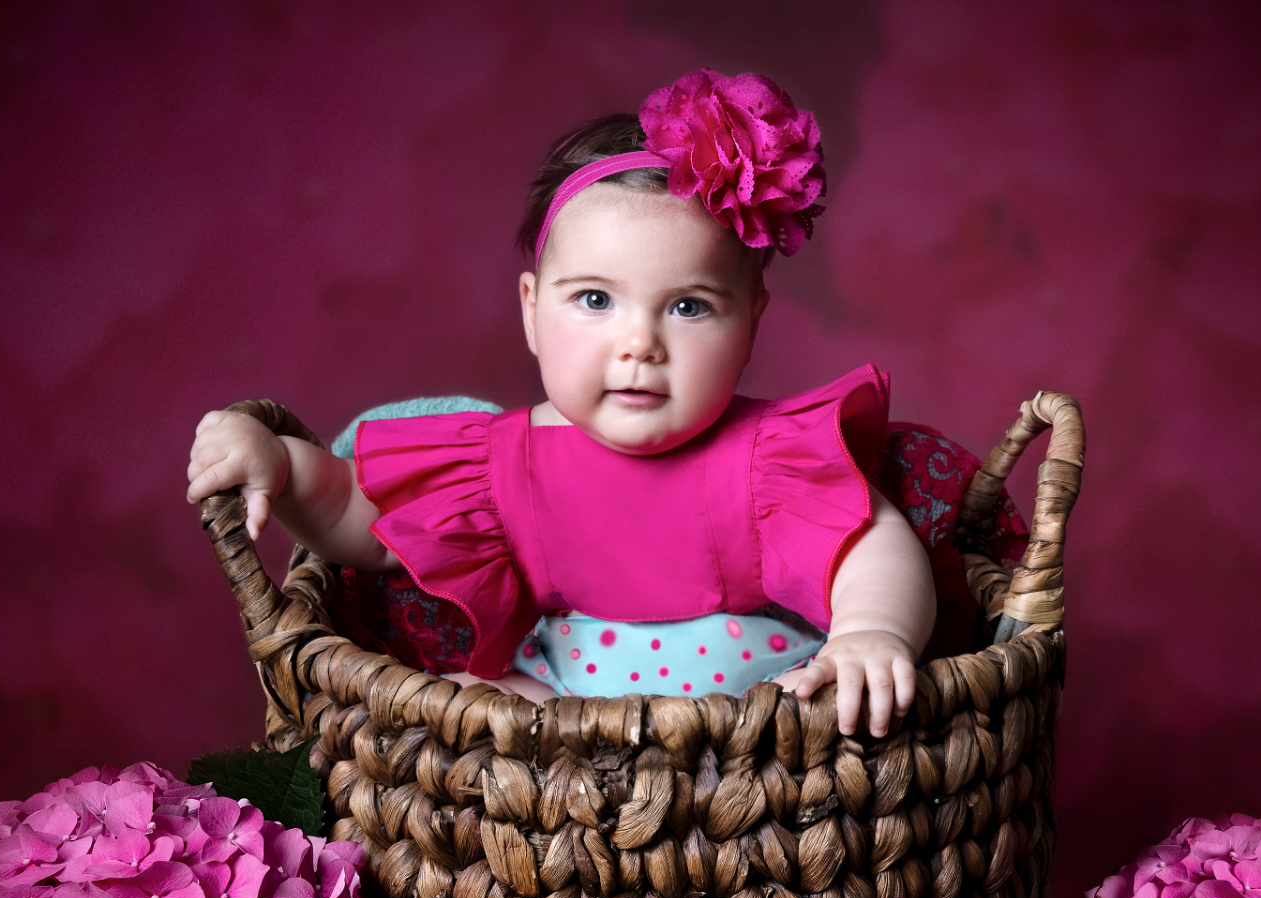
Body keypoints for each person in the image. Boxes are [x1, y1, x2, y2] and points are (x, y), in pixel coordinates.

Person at [186, 69, 935, 738]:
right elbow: (362, 512)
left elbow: (868, 543)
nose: (639, 344)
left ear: (751, 323)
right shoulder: (500, 464)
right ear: (532, 311)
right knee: (457, 709)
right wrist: (279, 461)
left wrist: (872, 631)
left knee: (826, 717)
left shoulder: (765, 458)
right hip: (564, 718)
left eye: (689, 308)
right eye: (595, 300)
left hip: (744, 722)